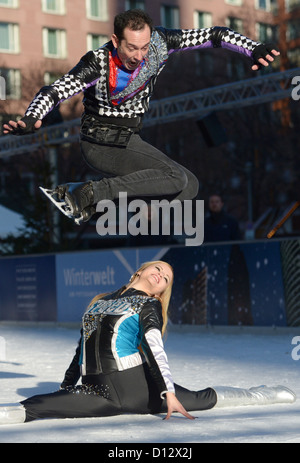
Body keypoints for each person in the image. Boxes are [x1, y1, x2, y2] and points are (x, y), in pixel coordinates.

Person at [3, 9, 280, 224]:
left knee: (189, 186)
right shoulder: (97, 63)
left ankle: (89, 203)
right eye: (131, 48)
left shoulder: (160, 43)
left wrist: (252, 47)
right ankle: (88, 193)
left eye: (144, 47)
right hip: (100, 143)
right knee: (174, 176)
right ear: (116, 41)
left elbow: (213, 35)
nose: (139, 56)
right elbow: (56, 90)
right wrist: (31, 117)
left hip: (129, 138)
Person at [0, 260, 296, 425]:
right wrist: (66, 386)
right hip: (96, 389)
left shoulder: (147, 305)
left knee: (200, 398)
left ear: (161, 291)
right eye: (158, 269)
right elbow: (82, 348)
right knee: (40, 405)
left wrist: (167, 391)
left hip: (136, 387)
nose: (162, 275)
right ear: (139, 271)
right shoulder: (99, 302)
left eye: (167, 277)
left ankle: (262, 394)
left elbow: (155, 348)